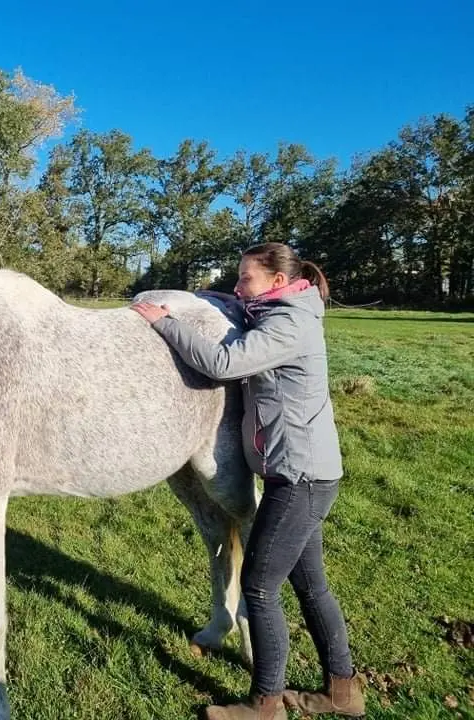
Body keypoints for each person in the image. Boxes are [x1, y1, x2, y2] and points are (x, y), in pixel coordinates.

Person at [131, 243, 364, 720]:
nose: (238, 287)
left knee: (258, 587)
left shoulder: (290, 324)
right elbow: (248, 310)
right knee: (311, 585)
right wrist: (220, 299)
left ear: (278, 282)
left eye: (246, 279)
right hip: (303, 471)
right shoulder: (285, 309)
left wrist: (165, 321)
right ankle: (344, 691)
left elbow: (223, 363)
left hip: (298, 477)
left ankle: (265, 704)